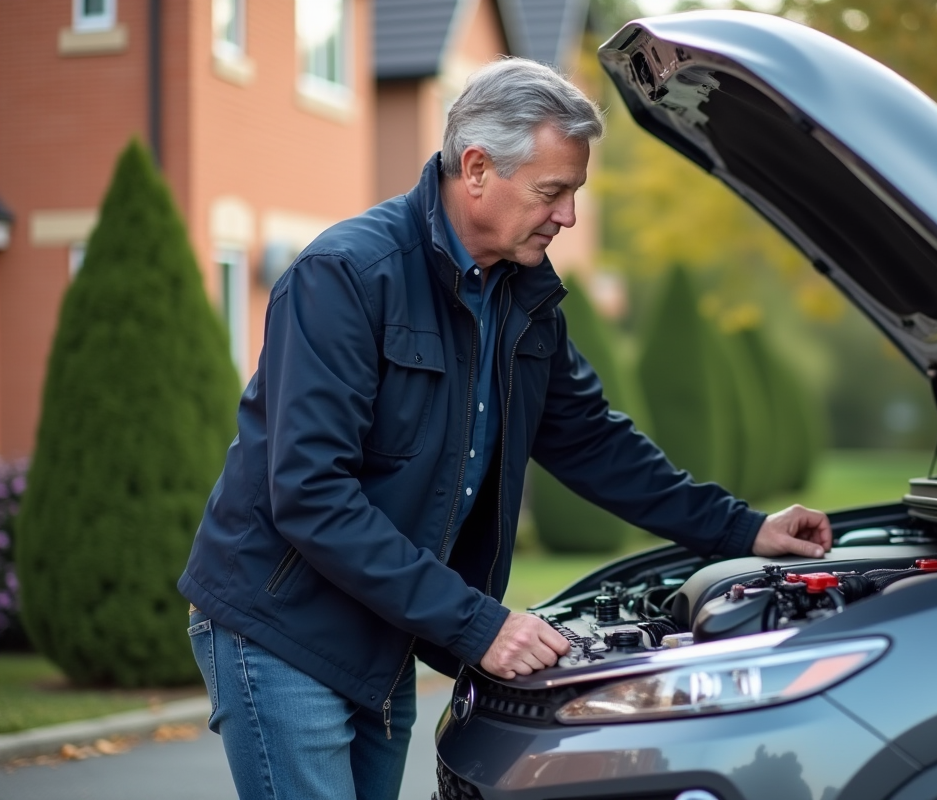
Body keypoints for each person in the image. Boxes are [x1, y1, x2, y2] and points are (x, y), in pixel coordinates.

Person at [178, 57, 832, 800]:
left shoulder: (524, 299)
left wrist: (744, 530)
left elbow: (593, 441)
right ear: (478, 168)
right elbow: (309, 494)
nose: (569, 217)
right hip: (280, 626)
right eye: (553, 192)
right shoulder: (347, 276)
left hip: (382, 625)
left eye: (574, 194)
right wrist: (478, 624)